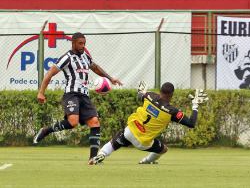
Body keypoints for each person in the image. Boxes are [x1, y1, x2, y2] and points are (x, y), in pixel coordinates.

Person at [33, 32, 123, 164]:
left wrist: (110, 78)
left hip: (84, 95)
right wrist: (41, 92)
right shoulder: (66, 57)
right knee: (73, 122)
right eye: (80, 43)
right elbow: (50, 74)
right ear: (73, 43)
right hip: (71, 94)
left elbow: (95, 68)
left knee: (95, 122)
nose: (83, 46)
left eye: (84, 43)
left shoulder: (86, 57)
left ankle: (93, 158)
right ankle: (46, 130)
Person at [89, 81, 208, 165]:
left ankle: (102, 154)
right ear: (171, 95)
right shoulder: (172, 111)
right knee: (163, 149)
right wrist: (195, 105)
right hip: (143, 141)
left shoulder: (150, 95)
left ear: (160, 90)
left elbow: (140, 95)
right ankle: (147, 161)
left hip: (130, 130)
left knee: (115, 143)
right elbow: (191, 123)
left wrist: (141, 90)